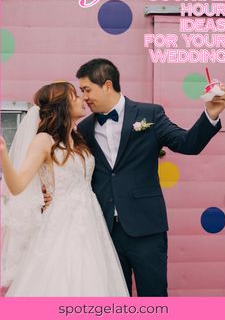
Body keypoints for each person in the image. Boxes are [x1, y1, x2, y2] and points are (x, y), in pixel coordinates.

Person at [74, 58, 225, 296]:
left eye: (86, 89)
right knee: (114, 298)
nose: (84, 97)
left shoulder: (150, 114)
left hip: (146, 227)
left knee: (154, 296)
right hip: (103, 231)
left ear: (106, 85)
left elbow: (187, 143)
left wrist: (211, 115)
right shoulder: (84, 128)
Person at [0, 81, 129, 297]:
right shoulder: (43, 140)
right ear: (62, 105)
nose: (82, 99)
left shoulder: (80, 139)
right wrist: (3, 154)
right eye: (75, 96)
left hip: (91, 222)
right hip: (61, 223)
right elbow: (17, 186)